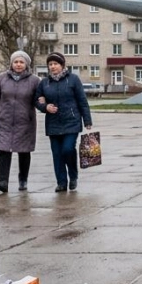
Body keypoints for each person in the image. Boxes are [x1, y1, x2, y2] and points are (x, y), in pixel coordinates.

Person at [34, 53, 92, 192]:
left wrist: (87, 120)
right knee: (57, 154)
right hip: (53, 123)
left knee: (68, 149)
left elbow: (82, 101)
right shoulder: (45, 83)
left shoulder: (73, 79)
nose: (53, 66)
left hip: (71, 121)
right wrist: (45, 107)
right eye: (50, 64)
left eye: (55, 64)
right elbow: (36, 100)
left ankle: (73, 176)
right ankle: (61, 182)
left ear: (62, 65)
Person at [0, 51, 40, 192]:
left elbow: (38, 100)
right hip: (4, 120)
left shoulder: (34, 80)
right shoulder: (2, 78)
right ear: (11, 63)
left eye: (21, 62)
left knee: (24, 152)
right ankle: (3, 182)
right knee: (4, 150)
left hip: (25, 122)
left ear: (26, 64)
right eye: (16, 62)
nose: (18, 65)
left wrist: (46, 106)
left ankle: (23, 180)